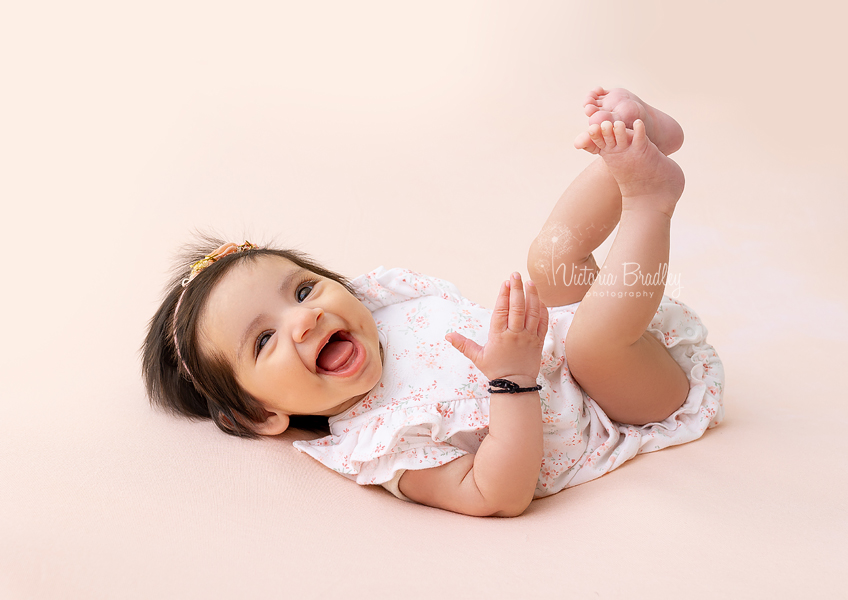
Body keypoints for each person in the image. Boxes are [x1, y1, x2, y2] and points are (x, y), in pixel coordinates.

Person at [142, 87, 724, 517]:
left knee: (549, 258)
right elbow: (495, 494)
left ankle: (633, 146)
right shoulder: (380, 440)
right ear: (259, 414)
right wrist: (513, 384)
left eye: (302, 290)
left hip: (585, 340)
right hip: (627, 403)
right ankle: (651, 198)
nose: (305, 317)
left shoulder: (383, 310)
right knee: (594, 344)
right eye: (263, 339)